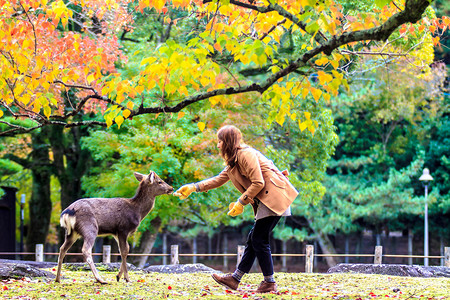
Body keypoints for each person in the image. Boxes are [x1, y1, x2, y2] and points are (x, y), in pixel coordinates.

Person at [174, 125, 298, 293]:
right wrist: (194, 187)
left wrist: (241, 202)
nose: (217, 145)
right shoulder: (234, 161)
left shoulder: (245, 154)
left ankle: (269, 282)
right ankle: (235, 279)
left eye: (219, 141)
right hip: (267, 199)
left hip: (274, 197)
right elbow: (218, 179)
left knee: (259, 240)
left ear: (227, 142)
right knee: (254, 238)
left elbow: (258, 182)